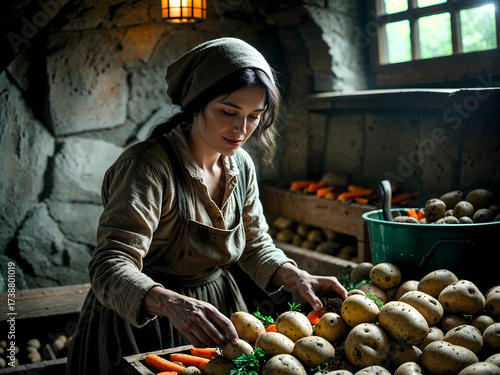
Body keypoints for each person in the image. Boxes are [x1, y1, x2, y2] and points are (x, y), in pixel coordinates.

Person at [66, 37, 348, 375]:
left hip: (217, 310)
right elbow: (109, 265)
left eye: (254, 116)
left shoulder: (241, 165)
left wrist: (296, 275)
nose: (241, 129)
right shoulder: (148, 167)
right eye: (228, 112)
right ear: (196, 104)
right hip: (141, 320)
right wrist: (170, 303)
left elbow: (255, 244)